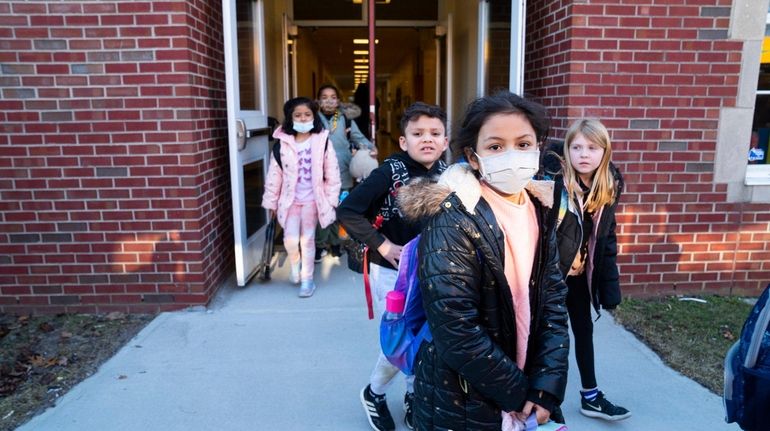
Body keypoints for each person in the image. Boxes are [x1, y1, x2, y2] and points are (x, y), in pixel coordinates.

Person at [395, 92, 569, 430]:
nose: (511, 155)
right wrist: (520, 394)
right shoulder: (452, 219)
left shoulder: (540, 207)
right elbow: (455, 328)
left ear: (538, 148)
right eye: (495, 147)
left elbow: (553, 302)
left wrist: (546, 385)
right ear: (472, 157)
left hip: (527, 386)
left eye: (523, 144)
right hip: (465, 396)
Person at [337, 102, 449, 431]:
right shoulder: (390, 171)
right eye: (417, 134)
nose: (426, 139)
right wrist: (384, 246)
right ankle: (375, 392)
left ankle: (413, 394)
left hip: (435, 268)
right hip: (392, 271)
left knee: (425, 336)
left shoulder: (449, 174)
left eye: (434, 133)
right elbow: (348, 212)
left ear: (445, 141)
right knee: (401, 338)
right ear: (403, 141)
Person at [544, 118, 630, 421]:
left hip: (580, 276)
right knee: (550, 336)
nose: (583, 154)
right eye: (576, 147)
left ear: (604, 151)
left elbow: (606, 239)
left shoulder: (609, 185)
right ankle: (545, 401)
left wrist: (610, 288)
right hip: (550, 276)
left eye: (592, 148)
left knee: (583, 331)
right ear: (567, 150)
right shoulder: (555, 180)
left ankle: (590, 396)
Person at [261, 97, 341, 298]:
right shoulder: (282, 145)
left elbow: (332, 173)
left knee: (307, 240)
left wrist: (331, 200)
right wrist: (271, 201)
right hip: (290, 202)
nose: (303, 118)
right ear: (290, 118)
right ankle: (294, 263)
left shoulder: (322, 142)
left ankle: (307, 280)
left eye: (307, 115)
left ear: (314, 117)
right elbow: (274, 175)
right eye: (298, 115)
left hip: (313, 201)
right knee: (289, 240)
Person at [315, 84, 376, 261]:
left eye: (333, 97)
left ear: (338, 101)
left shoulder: (345, 119)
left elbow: (358, 137)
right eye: (324, 97)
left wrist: (371, 148)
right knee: (322, 209)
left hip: (342, 171)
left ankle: (335, 244)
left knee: (339, 208)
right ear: (319, 100)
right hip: (320, 171)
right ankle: (320, 245)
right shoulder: (313, 119)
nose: (328, 100)